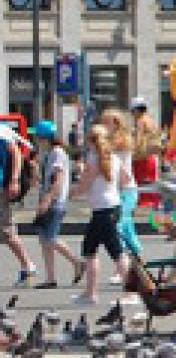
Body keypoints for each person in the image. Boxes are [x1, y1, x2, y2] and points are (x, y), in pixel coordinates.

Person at [75, 123, 129, 306]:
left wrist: (72, 193)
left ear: (90, 140)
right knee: (90, 249)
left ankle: (131, 293)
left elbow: (85, 184)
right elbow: (127, 179)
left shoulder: (93, 158)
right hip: (111, 206)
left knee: (116, 252)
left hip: (102, 210)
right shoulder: (113, 157)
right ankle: (90, 294)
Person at [30, 121, 76, 289]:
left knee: (50, 238)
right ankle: (50, 278)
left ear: (44, 138)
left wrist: (47, 200)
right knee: (44, 240)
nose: (36, 140)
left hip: (54, 202)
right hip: (49, 200)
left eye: (37, 137)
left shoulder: (57, 153)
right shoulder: (50, 153)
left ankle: (77, 262)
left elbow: (57, 179)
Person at [100, 108, 145, 274]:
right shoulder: (107, 141)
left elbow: (113, 153)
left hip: (127, 190)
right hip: (115, 190)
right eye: (102, 122)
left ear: (116, 123)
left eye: (106, 122)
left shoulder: (123, 140)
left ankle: (123, 268)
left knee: (119, 225)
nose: (103, 125)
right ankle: (137, 261)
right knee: (127, 227)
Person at [1, 124, 40, 286]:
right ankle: (27, 266)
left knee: (7, 231)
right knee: (6, 231)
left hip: (1, 187)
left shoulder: (2, 133)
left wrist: (14, 180)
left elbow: (16, 153)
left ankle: (28, 267)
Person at [130, 97, 163, 187]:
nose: (132, 115)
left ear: (136, 110)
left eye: (132, 112)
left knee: (142, 188)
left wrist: (132, 155)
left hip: (142, 160)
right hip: (151, 158)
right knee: (150, 187)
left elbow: (138, 141)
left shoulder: (140, 121)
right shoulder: (151, 120)